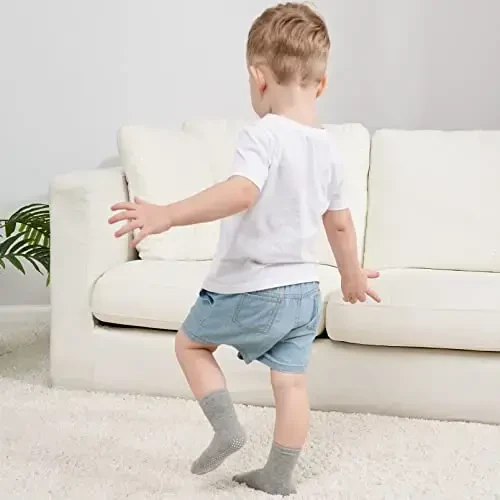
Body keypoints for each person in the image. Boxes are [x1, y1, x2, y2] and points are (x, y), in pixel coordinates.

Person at [109, 2, 380, 496]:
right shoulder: (329, 150)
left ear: (258, 78)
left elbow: (241, 192)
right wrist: (351, 276)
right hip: (303, 294)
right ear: (321, 84)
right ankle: (279, 475)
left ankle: (227, 429)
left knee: (190, 345)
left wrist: (167, 214)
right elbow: (340, 224)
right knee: (291, 384)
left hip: (251, 287)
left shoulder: (262, 135)